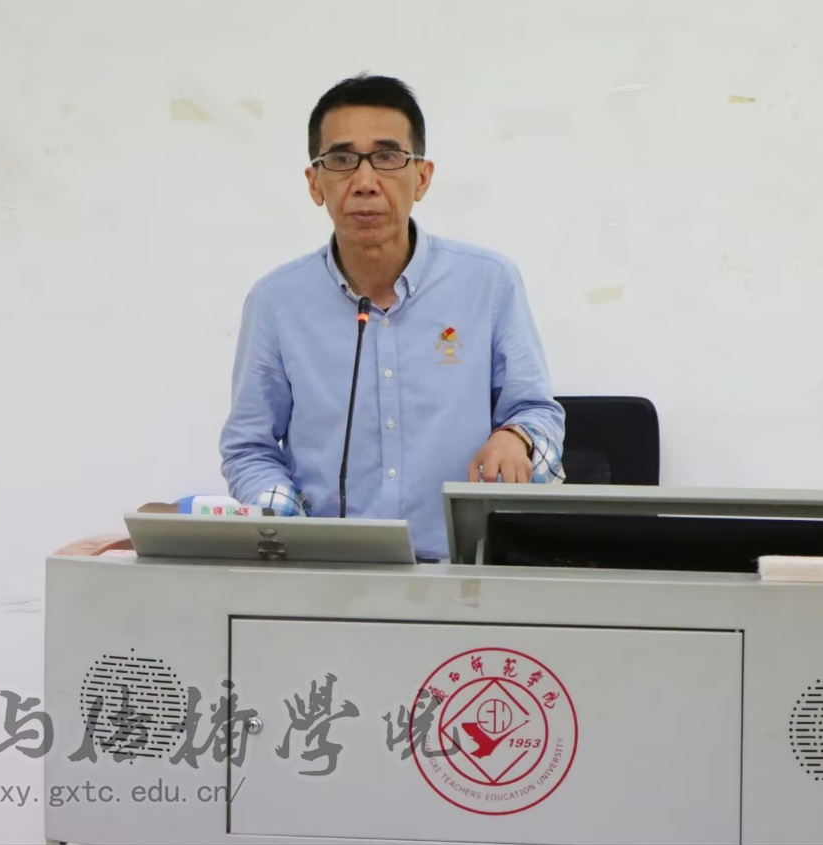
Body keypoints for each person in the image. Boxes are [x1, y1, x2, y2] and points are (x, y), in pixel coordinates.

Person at [219, 74, 565, 561]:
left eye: (387, 158)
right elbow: (248, 448)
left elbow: (539, 414)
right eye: (341, 160)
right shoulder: (276, 301)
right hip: (327, 574)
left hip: (463, 574)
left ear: (421, 177)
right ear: (315, 183)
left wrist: (517, 438)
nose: (365, 183)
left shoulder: (488, 282)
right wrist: (287, 522)